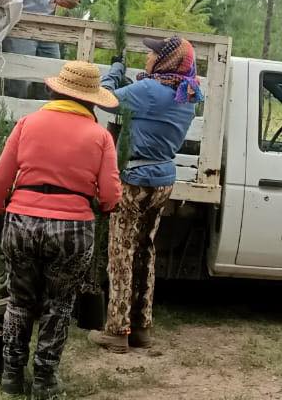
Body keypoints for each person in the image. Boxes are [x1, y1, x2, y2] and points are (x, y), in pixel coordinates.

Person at [0, 61, 122, 398]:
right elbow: (109, 195)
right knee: (59, 304)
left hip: (21, 222)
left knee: (19, 301)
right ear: (92, 100)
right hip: (73, 230)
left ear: (54, 91)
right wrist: (104, 207)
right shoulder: (101, 137)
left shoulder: (27, 124)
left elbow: (1, 178)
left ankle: (11, 376)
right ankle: (45, 379)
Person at [87, 37, 204, 353]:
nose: (149, 57)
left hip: (135, 179)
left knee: (120, 253)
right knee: (145, 251)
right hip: (164, 179)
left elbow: (106, 98)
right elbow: (147, 107)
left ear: (166, 61)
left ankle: (117, 331)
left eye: (153, 53)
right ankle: (142, 329)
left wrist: (115, 69)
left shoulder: (150, 91)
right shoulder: (187, 94)